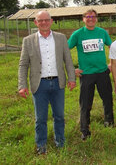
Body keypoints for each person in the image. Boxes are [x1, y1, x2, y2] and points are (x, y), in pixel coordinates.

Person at [18, 11, 76, 155]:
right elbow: (23, 64)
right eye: (40, 20)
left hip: (58, 83)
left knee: (59, 116)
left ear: (51, 21)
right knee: (41, 118)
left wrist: (72, 78)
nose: (44, 22)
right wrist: (22, 85)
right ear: (35, 23)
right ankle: (41, 145)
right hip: (39, 84)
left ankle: (60, 143)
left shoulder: (61, 38)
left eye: (46, 20)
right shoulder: (28, 40)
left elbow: (67, 60)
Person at [68, 9, 114, 140]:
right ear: (83, 19)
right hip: (86, 74)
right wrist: (72, 69)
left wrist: (111, 63)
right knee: (85, 103)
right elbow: (65, 50)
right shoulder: (77, 34)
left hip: (102, 72)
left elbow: (113, 47)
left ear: (97, 19)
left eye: (93, 17)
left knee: (107, 99)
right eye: (88, 17)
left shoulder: (102, 32)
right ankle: (84, 129)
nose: (91, 19)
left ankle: (109, 121)